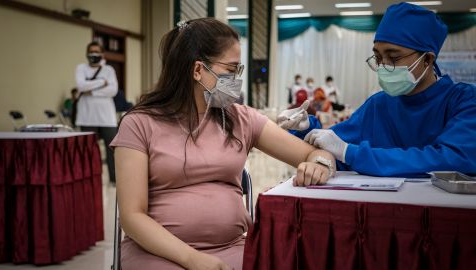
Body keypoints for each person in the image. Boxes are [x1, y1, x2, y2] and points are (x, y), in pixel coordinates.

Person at [110, 18, 335, 270]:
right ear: (198, 70)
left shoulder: (239, 117)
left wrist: (320, 163)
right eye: (231, 69)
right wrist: (192, 259)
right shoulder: (139, 123)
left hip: (231, 248)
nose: (237, 80)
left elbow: (313, 154)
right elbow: (132, 216)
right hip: (157, 252)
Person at [277, 2, 476, 177]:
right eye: (378, 58)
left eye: (394, 57)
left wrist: (352, 153)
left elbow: (455, 159)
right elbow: (331, 147)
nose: (383, 66)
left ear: (427, 59)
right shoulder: (379, 105)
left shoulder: (463, 101)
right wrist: (306, 129)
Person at [75, 41, 118, 183]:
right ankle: (88, 180)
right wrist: (102, 82)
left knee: (112, 150)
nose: (93, 54)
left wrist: (91, 91)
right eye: (91, 51)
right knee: (86, 152)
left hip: (107, 117)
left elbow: (113, 90)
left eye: (96, 51)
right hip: (87, 117)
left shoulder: (109, 70)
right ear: (87, 54)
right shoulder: (81, 68)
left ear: (102, 54)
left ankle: (114, 179)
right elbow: (81, 86)